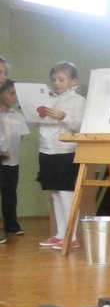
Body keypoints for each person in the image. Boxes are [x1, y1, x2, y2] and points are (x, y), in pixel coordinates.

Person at [36, 61, 86, 250]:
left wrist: (63, 116)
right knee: (55, 192)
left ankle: (71, 236)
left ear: (73, 81)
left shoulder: (78, 100)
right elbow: (37, 122)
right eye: (54, 79)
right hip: (47, 149)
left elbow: (81, 126)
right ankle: (60, 233)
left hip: (66, 151)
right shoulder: (47, 99)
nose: (57, 83)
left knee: (66, 193)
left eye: (62, 79)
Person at [0, 79, 30, 238]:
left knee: (10, 193)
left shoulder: (18, 116)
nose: (15, 97)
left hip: (12, 161)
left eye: (17, 94)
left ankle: (11, 225)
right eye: (11, 93)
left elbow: (21, 137)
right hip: (1, 157)